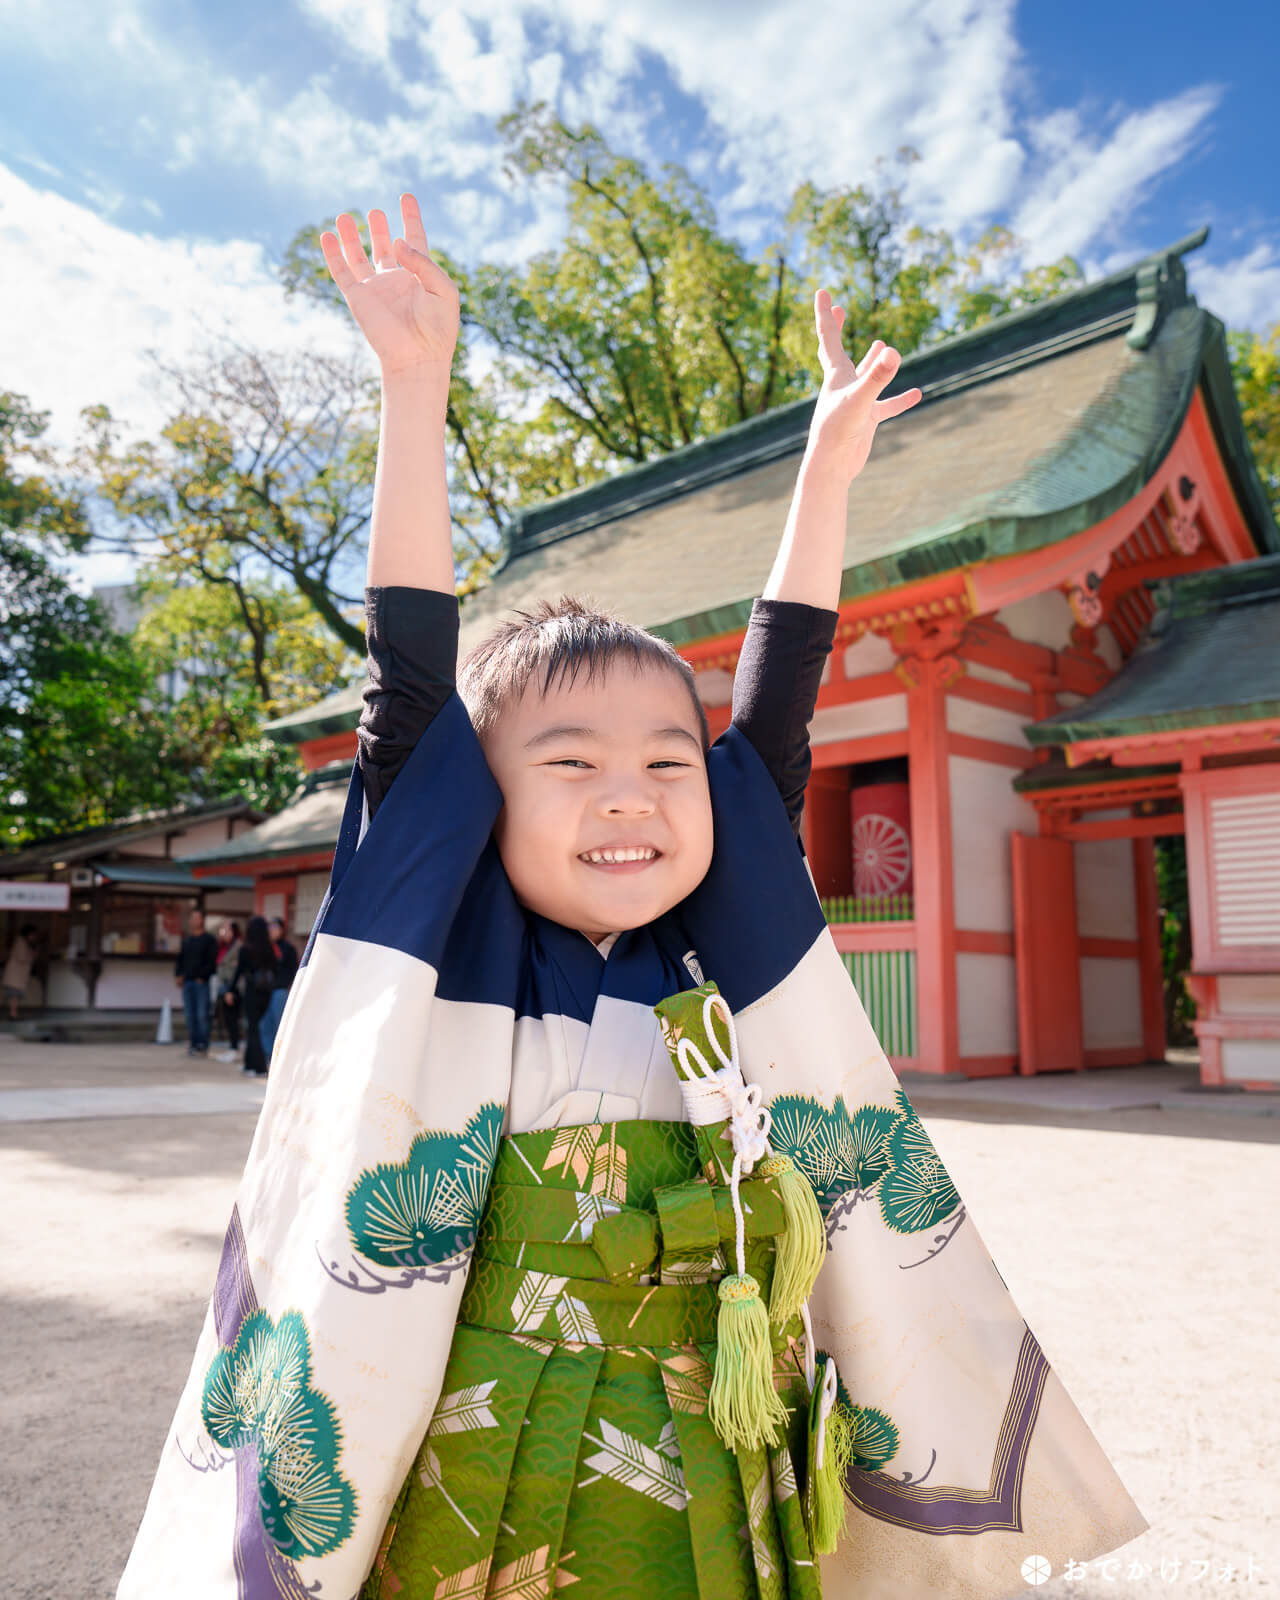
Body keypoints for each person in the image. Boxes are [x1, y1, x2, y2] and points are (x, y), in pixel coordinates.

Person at [120, 197, 1146, 1599]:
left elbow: (774, 707)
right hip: (488, 1462)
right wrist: (414, 389)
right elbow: (409, 686)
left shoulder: (720, 955)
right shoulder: (456, 946)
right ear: (476, 800)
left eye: (669, 762)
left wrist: (828, 475)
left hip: (709, 1448)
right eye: (573, 761)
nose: (633, 795)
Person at [224, 915, 276, 1077]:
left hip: (252, 992)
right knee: (254, 1027)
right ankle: (249, 1064)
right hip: (266, 993)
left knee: (252, 1029)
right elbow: (276, 970)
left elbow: (239, 971)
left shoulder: (245, 949)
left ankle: (259, 1067)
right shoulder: (269, 949)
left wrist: (230, 990)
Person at [172, 908, 217, 1057]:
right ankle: (193, 1043)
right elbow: (180, 960)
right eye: (191, 918)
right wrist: (178, 975)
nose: (193, 921)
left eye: (196, 918)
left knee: (202, 1014)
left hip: (201, 983)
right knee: (190, 1015)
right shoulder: (187, 940)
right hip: (187, 982)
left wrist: (202, 977)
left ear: (202, 920)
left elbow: (212, 963)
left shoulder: (209, 940)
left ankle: (203, 1045)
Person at [257, 916, 299, 1063]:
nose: (271, 931)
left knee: (279, 1025)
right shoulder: (264, 947)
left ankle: (280, 1058)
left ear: (282, 930)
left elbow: (291, 971)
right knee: (264, 1025)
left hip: (280, 991)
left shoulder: (288, 949)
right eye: (270, 928)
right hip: (264, 992)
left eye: (275, 928)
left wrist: (282, 985)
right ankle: (268, 1056)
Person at [211, 921, 243, 1062]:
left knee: (233, 1018)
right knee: (227, 1019)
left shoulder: (238, 947)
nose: (224, 933)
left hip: (233, 988)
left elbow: (238, 970)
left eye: (227, 930)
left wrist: (231, 990)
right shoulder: (222, 947)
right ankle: (232, 1047)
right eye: (223, 930)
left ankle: (235, 1048)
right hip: (223, 987)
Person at [3, 923, 39, 1021]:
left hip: (16, 975)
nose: (34, 937)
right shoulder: (21, 942)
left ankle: (13, 1014)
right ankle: (13, 1014)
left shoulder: (22, 942)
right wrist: (32, 955)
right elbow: (21, 957)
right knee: (14, 995)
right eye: (33, 935)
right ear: (29, 934)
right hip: (15, 975)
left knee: (15, 995)